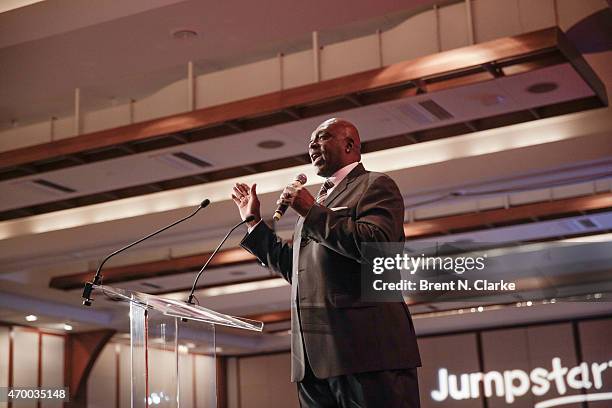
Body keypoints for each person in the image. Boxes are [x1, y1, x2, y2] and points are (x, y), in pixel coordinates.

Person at [231, 118, 421, 407]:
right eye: (310, 141)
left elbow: (379, 248)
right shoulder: (319, 200)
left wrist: (311, 211)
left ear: (349, 144)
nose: (312, 145)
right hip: (313, 361)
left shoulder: (375, 184)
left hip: (366, 352)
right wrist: (254, 223)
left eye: (323, 137)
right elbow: (297, 270)